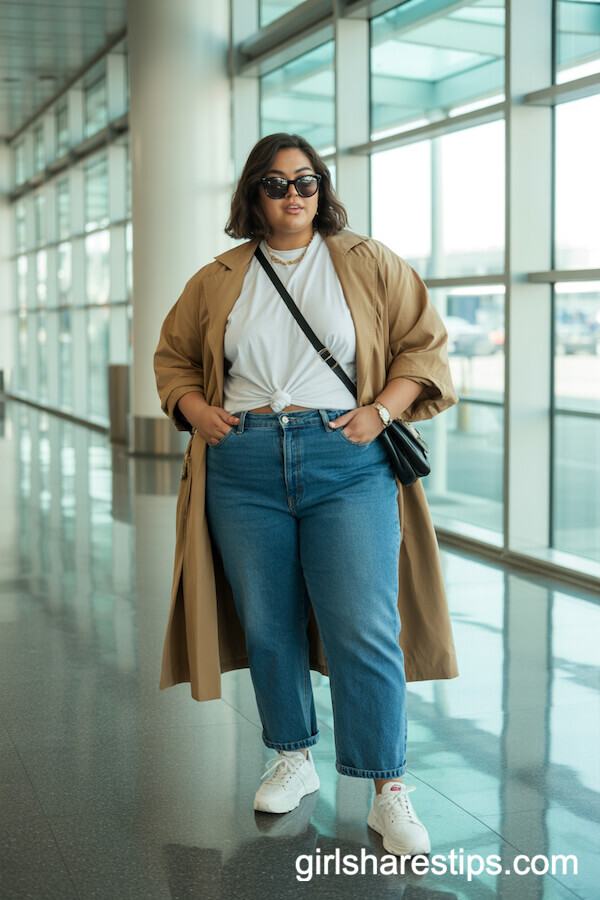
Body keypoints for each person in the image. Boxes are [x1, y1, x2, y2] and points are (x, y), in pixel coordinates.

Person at [154, 133, 458, 857]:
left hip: (345, 455)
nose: (293, 195)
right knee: (268, 622)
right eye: (275, 183)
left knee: (364, 624)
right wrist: (195, 410)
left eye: (306, 181)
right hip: (243, 461)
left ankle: (387, 787)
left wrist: (380, 411)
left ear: (321, 189)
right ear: (252, 195)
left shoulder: (367, 260)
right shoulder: (219, 276)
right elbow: (174, 359)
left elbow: (423, 346)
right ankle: (291, 754)